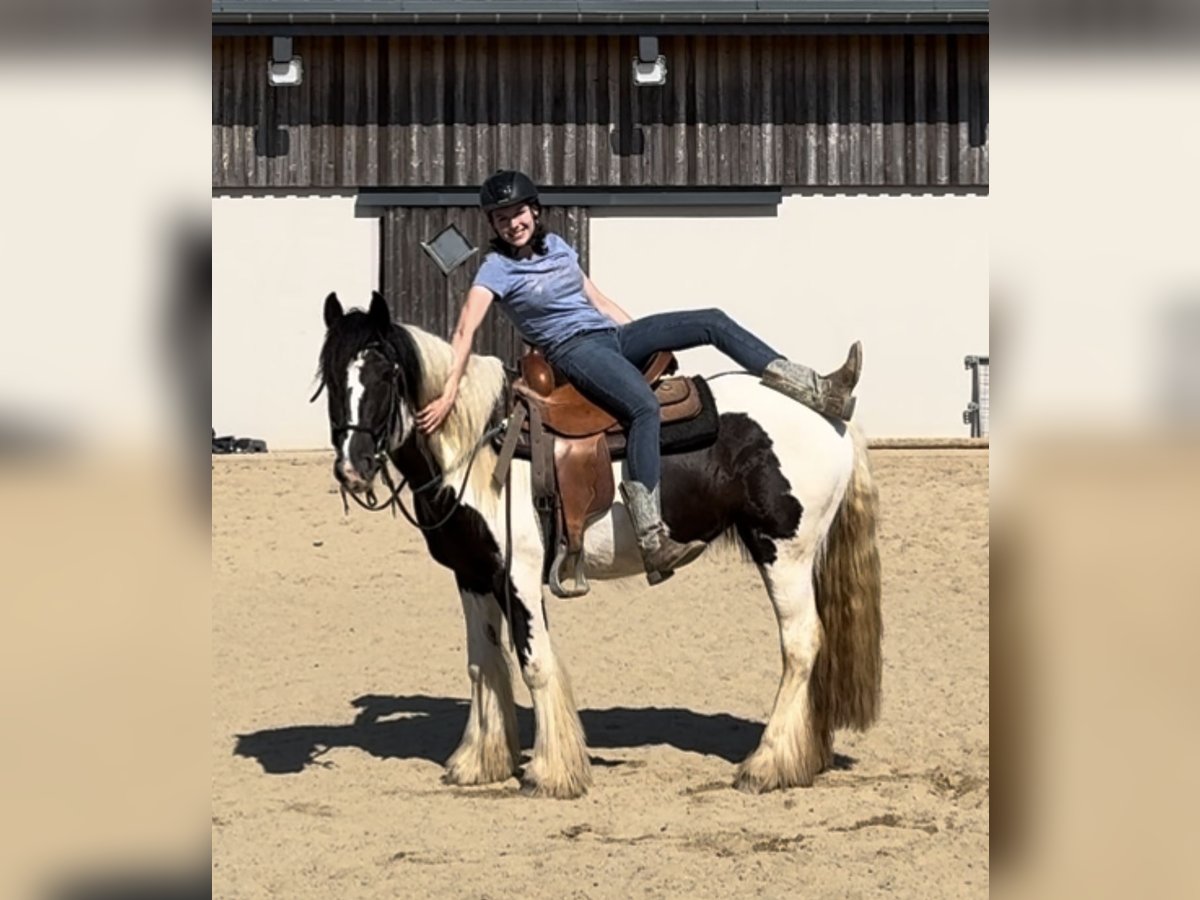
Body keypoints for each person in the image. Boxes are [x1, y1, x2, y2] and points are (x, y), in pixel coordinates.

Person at [417, 169, 862, 585]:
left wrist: (643, 344)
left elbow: (597, 299)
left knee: (711, 320)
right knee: (643, 407)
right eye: (501, 218)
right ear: (493, 226)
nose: (512, 223)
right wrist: (450, 389)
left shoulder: (559, 248)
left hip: (613, 337)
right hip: (572, 351)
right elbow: (464, 330)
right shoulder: (496, 270)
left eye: (517, 212)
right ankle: (651, 535)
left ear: (534, 210)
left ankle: (816, 390)